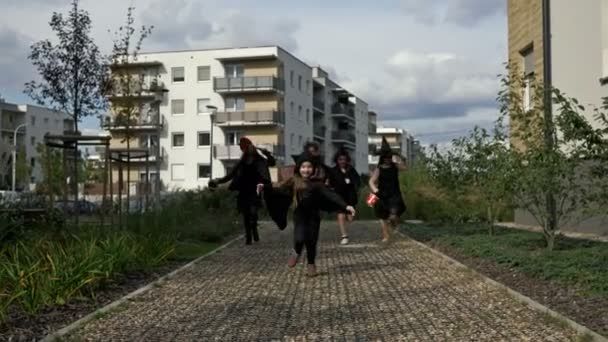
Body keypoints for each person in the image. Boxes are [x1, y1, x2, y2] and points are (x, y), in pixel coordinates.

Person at [264, 153, 356, 277]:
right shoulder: (293, 181)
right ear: (298, 168)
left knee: (311, 241)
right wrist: (265, 187)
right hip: (299, 216)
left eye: (309, 167)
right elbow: (279, 190)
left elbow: (331, 195)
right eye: (303, 167)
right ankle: (296, 252)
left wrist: (346, 206)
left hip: (314, 217)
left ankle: (311, 264)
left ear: (313, 169)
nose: (306, 170)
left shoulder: (317, 184)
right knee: (300, 238)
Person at [208, 137, 272, 245]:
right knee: (246, 215)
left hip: (255, 190)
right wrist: (218, 181)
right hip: (244, 191)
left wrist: (267, 153)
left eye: (252, 149)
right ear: (246, 151)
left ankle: (254, 229)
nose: (250, 151)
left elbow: (271, 162)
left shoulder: (260, 161)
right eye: (249, 150)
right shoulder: (241, 163)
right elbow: (230, 175)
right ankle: (248, 237)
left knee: (253, 213)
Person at [368, 137, 407, 243]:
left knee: (393, 216)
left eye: (390, 157)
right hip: (382, 195)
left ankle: (394, 225)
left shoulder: (395, 166)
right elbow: (371, 181)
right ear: (383, 158)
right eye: (386, 157)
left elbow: (405, 167)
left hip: (394, 194)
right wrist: (375, 190)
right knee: (383, 217)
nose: (388, 159)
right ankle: (386, 236)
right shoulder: (379, 169)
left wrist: (400, 156)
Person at [328, 147, 361, 245]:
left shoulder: (351, 169)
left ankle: (348, 219)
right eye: (340, 159)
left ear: (347, 160)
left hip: (350, 196)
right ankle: (344, 236)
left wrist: (354, 184)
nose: (342, 161)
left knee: (350, 218)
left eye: (344, 159)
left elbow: (357, 181)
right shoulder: (333, 171)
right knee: (340, 214)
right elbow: (329, 183)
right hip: (339, 196)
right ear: (337, 160)